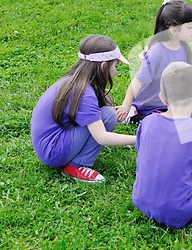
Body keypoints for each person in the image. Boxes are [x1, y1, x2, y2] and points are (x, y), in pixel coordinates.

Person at [31, 35, 136, 183]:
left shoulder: (75, 81)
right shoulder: (84, 94)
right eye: (115, 66)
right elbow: (102, 137)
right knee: (108, 116)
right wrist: (140, 139)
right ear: (103, 66)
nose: (116, 72)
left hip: (46, 144)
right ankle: (77, 166)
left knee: (108, 113)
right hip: (53, 151)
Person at [132, 62, 192, 228]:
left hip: (141, 201)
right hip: (179, 211)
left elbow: (141, 150)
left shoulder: (147, 121)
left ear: (162, 97)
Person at [117, 0, 192, 124]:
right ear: (173, 30)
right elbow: (137, 82)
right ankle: (134, 115)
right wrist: (125, 106)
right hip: (149, 106)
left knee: (191, 122)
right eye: (190, 27)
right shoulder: (157, 51)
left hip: (171, 103)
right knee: (161, 123)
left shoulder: (186, 49)